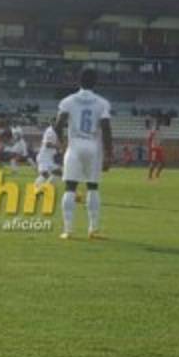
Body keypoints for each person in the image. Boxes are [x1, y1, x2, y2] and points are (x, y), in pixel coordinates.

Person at [55, 69, 112, 240]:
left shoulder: (68, 101)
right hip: (93, 147)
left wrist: (63, 143)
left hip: (75, 146)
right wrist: (108, 154)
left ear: (78, 81)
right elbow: (107, 129)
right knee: (93, 187)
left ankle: (68, 230)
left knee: (70, 188)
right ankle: (93, 229)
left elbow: (58, 125)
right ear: (95, 82)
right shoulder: (102, 103)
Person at [34, 121, 61, 191]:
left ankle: (47, 187)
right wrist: (57, 147)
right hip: (44, 157)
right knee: (45, 174)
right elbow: (47, 144)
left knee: (58, 172)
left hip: (49, 158)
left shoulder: (54, 131)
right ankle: (36, 188)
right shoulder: (50, 131)